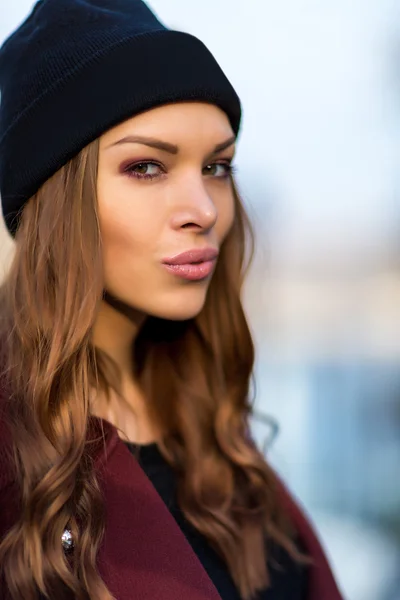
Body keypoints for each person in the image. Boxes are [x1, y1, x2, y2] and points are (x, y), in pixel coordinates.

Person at [0, 1, 344, 599]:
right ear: (54, 195)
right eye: (147, 167)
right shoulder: (12, 455)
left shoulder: (209, 422)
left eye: (217, 166)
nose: (205, 210)